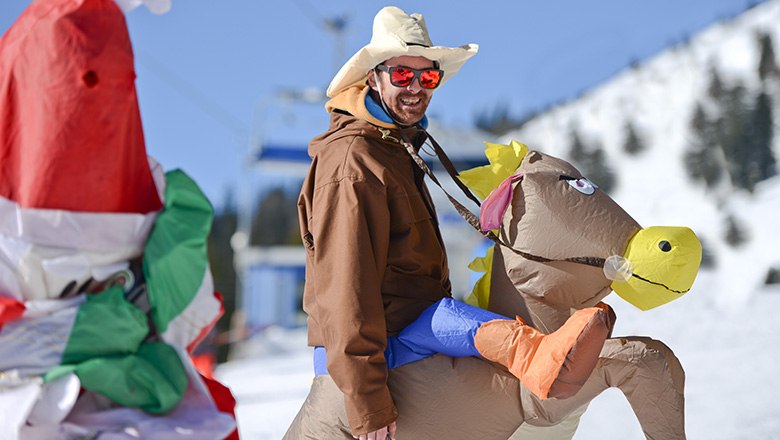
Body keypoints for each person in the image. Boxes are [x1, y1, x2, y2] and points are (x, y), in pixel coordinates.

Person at [284, 7, 610, 439]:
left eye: (428, 77)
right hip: (378, 361)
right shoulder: (354, 163)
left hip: (410, 336)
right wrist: (368, 402)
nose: (416, 87)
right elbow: (345, 288)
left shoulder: (392, 150)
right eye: (402, 75)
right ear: (374, 78)